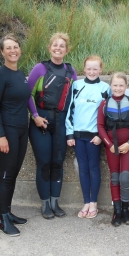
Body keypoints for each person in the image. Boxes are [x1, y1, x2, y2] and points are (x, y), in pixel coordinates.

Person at [28, 32, 77, 219]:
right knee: (44, 163)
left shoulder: (71, 72)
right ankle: (45, 203)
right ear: (50, 48)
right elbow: (28, 94)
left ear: (67, 50)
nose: (58, 48)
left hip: (61, 121)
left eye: (62, 46)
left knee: (57, 162)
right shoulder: (40, 68)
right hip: (41, 121)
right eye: (55, 45)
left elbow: (74, 100)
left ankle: (55, 201)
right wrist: (35, 117)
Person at [0, 34, 30, 236]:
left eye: (16, 47)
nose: (13, 51)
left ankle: (8, 212)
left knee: (12, 174)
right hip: (7, 131)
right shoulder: (0, 75)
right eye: (8, 48)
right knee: (5, 175)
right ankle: (2, 219)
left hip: (22, 130)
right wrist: (0, 135)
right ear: (2, 52)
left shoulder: (20, 73)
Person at [66, 55, 110, 219]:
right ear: (84, 69)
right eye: (89, 68)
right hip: (78, 136)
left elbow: (108, 115)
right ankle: (85, 202)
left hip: (95, 137)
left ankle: (94, 203)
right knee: (83, 169)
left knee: (93, 168)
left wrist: (101, 135)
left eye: (95, 68)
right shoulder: (76, 85)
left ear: (101, 69)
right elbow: (69, 110)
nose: (92, 71)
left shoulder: (105, 88)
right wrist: (70, 134)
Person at [97, 72, 129, 226]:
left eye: (121, 85)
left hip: (128, 145)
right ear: (111, 86)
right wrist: (109, 144)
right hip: (112, 146)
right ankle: (117, 211)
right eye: (115, 85)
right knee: (115, 178)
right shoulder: (105, 103)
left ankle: (125, 209)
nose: (118, 88)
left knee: (125, 178)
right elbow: (100, 126)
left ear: (126, 86)